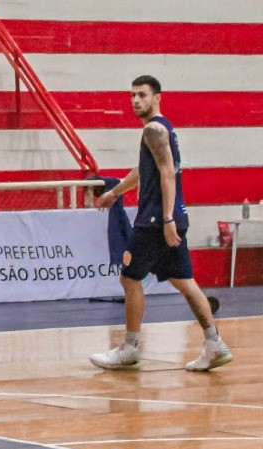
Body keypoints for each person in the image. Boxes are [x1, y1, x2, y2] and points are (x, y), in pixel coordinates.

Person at [89, 76, 231, 372]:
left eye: (142, 95)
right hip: (170, 218)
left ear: (157, 98)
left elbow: (167, 173)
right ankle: (214, 344)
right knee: (185, 282)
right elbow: (144, 171)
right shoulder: (160, 130)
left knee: (129, 278)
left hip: (156, 220)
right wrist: (115, 193)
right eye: (132, 95)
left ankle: (129, 347)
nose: (135, 101)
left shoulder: (153, 129)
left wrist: (165, 218)